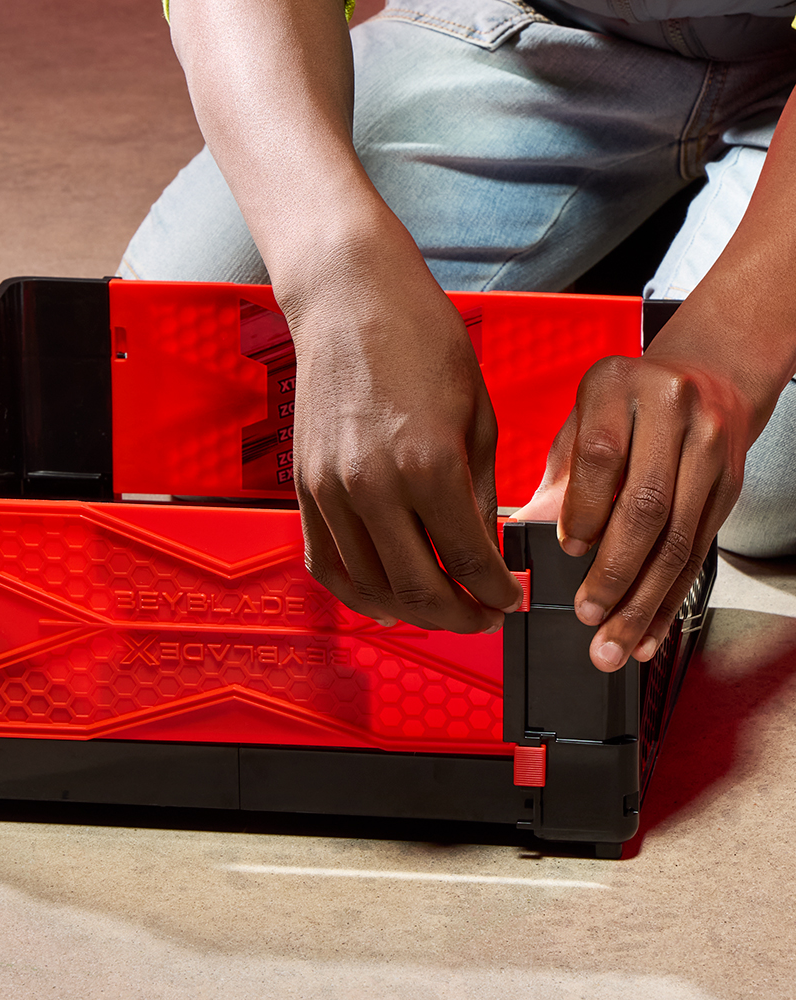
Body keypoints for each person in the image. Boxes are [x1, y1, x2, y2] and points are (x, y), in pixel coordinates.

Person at [119, 0, 796, 672]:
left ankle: (681, 244)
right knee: (187, 363)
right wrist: (334, 270)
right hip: (532, 27)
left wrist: (728, 350)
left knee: (756, 484)